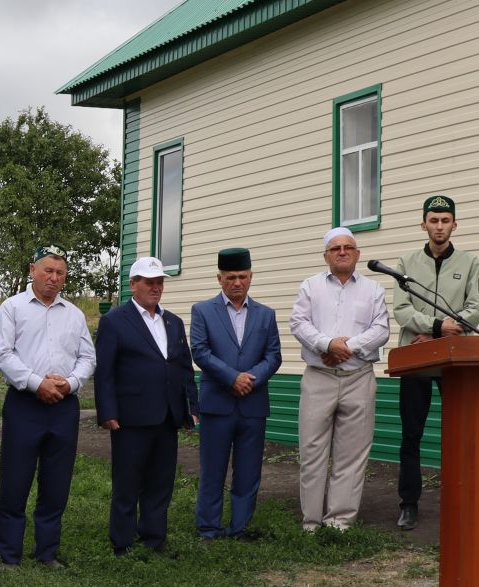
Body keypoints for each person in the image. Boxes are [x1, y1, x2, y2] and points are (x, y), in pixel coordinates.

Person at [0, 246, 95, 569]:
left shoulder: (74, 314)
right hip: (25, 404)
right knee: (15, 478)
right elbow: (3, 355)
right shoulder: (13, 308)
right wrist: (38, 383)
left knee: (56, 481)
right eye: (48, 270)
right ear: (32, 269)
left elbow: (88, 357)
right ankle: (10, 554)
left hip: (64, 405)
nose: (54, 278)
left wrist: (71, 383)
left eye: (60, 273)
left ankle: (47, 551)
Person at [391, 195, 479, 530]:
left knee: (461, 433)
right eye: (433, 220)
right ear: (424, 224)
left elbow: (475, 308)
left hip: (454, 359)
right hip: (415, 358)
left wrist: (441, 334)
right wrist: (434, 327)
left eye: (445, 221)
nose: (439, 227)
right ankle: (409, 504)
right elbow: (401, 310)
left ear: (454, 225)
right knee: (412, 434)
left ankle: (462, 500)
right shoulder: (406, 263)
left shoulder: (470, 262)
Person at [287, 227, 390, 531]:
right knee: (312, 451)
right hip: (319, 377)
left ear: (357, 254)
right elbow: (298, 322)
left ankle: (340, 522)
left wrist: (347, 348)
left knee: (352, 454)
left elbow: (381, 328)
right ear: (326, 256)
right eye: (335, 248)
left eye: (348, 247)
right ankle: (311, 521)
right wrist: (326, 344)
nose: (342, 251)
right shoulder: (310, 286)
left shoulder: (374, 289)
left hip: (358, 377)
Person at [95, 256, 198, 556]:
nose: (155, 288)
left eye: (159, 282)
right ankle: (122, 542)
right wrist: (108, 412)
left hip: (167, 416)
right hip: (130, 417)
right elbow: (105, 372)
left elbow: (183, 368)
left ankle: (154, 537)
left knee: (161, 480)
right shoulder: (114, 321)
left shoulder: (173, 322)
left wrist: (190, 406)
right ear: (133, 284)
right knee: (127, 481)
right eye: (149, 282)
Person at [188, 246, 283, 540]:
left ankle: (240, 526)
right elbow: (200, 352)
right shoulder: (202, 311)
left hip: (252, 404)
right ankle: (209, 527)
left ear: (251, 277)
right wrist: (232, 378)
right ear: (219, 279)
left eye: (242, 276)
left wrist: (251, 380)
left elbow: (274, 355)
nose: (237, 283)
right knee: (212, 470)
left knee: (248, 471)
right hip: (218, 404)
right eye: (230, 277)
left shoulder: (266, 315)